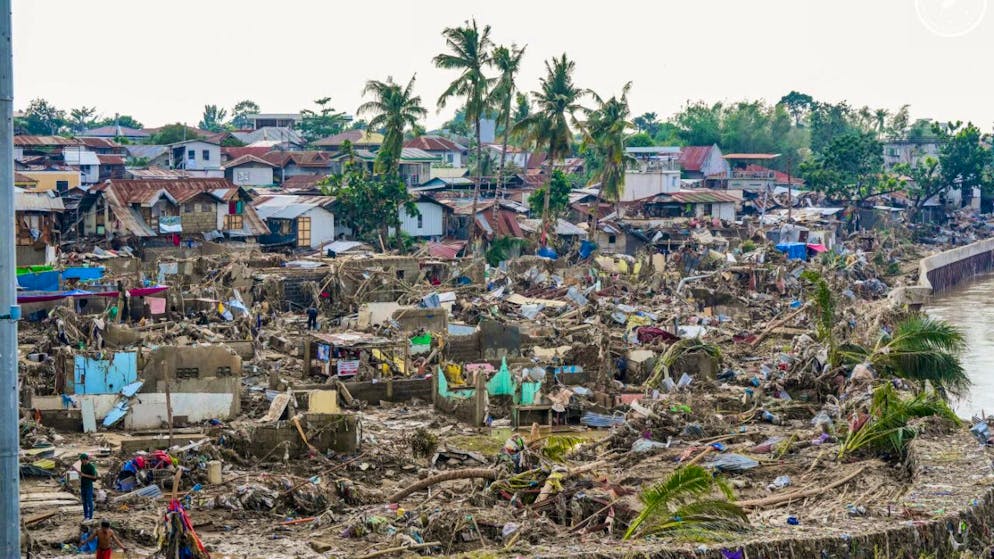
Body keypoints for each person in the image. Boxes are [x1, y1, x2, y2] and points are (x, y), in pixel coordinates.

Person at [73, 454, 98, 520]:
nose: (81, 461)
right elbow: (74, 467)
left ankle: (90, 517)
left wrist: (84, 475)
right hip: (82, 485)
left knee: (89, 501)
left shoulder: (91, 466)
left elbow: (94, 477)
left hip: (89, 485)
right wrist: (77, 471)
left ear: (85, 459)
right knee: (84, 502)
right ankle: (85, 516)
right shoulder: (82, 465)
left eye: (82, 460)